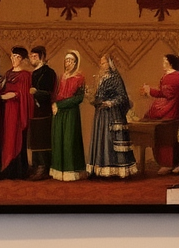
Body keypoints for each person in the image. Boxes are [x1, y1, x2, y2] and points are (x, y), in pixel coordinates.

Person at [87, 54, 137, 178]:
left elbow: (122, 97)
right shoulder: (100, 78)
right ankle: (100, 170)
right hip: (101, 115)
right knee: (100, 140)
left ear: (110, 64)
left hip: (112, 114)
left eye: (104, 63)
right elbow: (98, 95)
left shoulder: (115, 78)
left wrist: (110, 103)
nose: (102, 65)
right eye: (101, 63)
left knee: (110, 140)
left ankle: (115, 170)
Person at [50, 49, 87, 182]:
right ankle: (59, 171)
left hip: (71, 113)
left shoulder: (79, 78)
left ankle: (72, 171)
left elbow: (79, 98)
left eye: (71, 60)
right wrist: (54, 104)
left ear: (76, 62)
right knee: (58, 140)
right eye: (67, 60)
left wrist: (60, 105)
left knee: (69, 141)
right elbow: (55, 94)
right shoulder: (61, 77)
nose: (68, 63)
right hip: (59, 113)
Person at [140, 53, 179, 170]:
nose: (163, 64)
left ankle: (169, 163)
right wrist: (149, 91)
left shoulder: (174, 77)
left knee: (166, 136)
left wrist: (150, 90)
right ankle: (168, 163)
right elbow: (162, 93)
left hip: (170, 109)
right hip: (169, 107)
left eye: (164, 61)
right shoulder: (166, 76)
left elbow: (167, 94)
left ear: (170, 63)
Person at [0, 46, 33, 178]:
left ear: (23, 59)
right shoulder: (8, 74)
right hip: (7, 110)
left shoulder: (25, 75)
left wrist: (13, 95)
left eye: (17, 57)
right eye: (12, 56)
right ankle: (7, 168)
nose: (13, 59)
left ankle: (18, 170)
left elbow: (25, 94)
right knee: (7, 138)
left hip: (18, 111)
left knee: (16, 137)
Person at [27, 45, 58, 179]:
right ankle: (35, 165)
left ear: (42, 57)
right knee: (34, 139)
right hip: (34, 111)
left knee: (43, 139)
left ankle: (43, 167)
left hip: (44, 110)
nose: (32, 59)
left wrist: (37, 92)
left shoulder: (49, 72)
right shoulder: (33, 73)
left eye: (35, 57)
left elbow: (50, 93)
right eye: (31, 57)